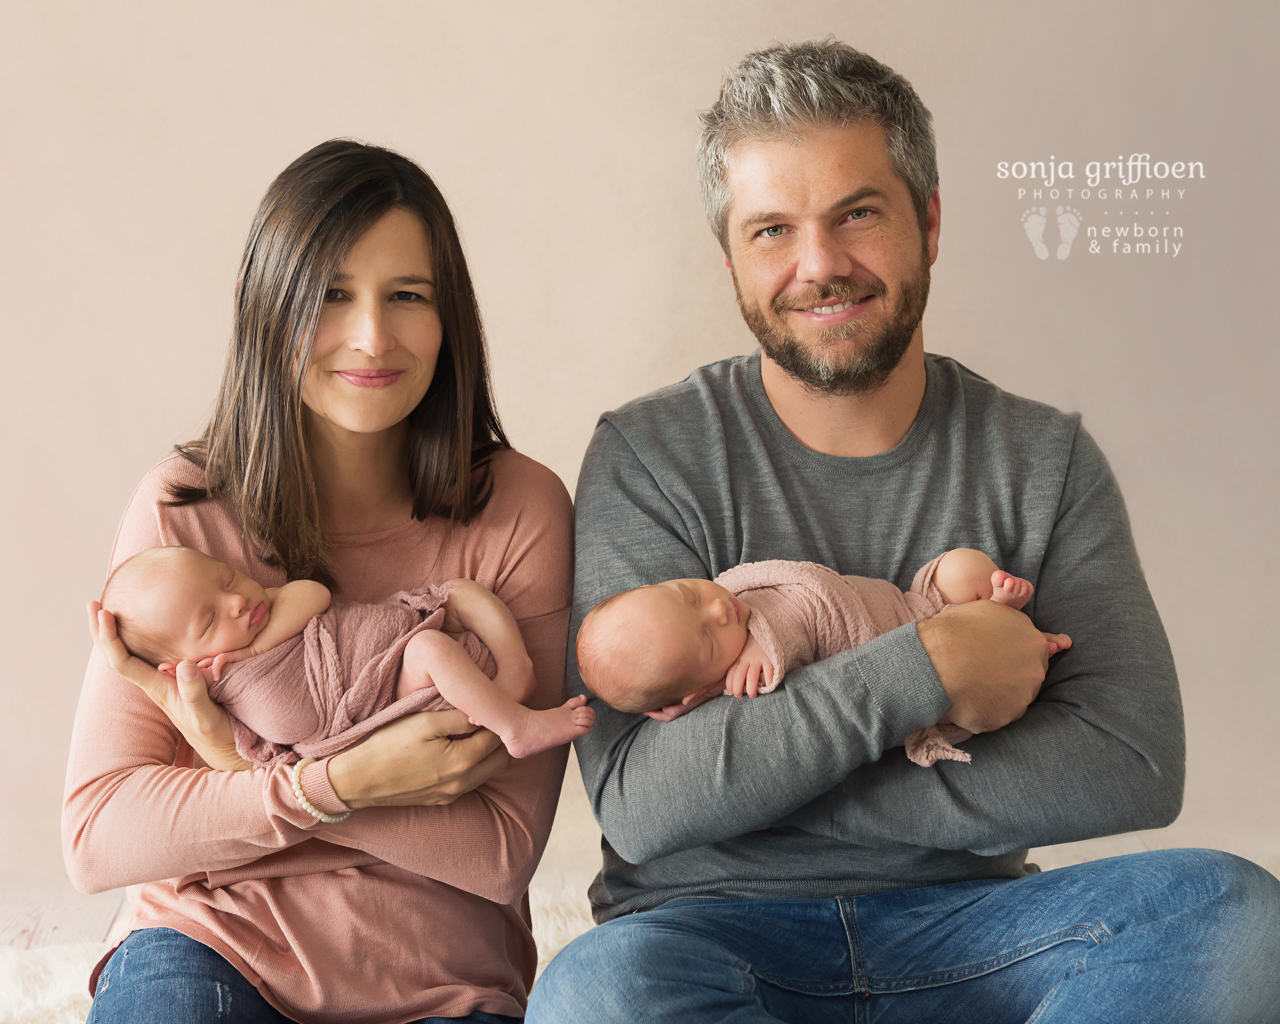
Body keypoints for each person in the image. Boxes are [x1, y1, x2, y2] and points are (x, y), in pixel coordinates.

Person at [528, 39, 1280, 1023]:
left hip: (973, 925)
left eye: (855, 213)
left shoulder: (1037, 458)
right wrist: (923, 667)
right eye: (770, 231)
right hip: (707, 935)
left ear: (927, 221)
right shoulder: (649, 454)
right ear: (730, 260)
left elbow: (1131, 760)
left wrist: (759, 783)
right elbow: (643, 801)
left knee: (1221, 905)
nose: (818, 265)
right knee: (592, 994)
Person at [64, 140, 575, 1024]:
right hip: (208, 947)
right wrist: (340, 784)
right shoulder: (184, 509)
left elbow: (497, 852)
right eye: (331, 294)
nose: (371, 336)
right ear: (264, 308)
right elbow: (101, 834)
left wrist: (228, 779)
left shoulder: (519, 508)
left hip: (442, 980)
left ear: (450, 316)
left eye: (406, 296)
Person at [98, 545, 592, 763]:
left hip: (386, 639)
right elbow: (254, 754)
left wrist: (258, 643)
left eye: (226, 579)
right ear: (178, 664)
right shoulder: (211, 688)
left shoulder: (264, 614)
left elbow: (313, 594)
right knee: (430, 647)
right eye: (209, 621)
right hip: (375, 695)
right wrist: (158, 687)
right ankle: (516, 727)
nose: (236, 601)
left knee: (460, 592)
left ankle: (516, 669)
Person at [576, 549, 1068, 766]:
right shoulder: (738, 675)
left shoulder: (744, 601)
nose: (719, 610)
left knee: (963, 565)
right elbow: (764, 698)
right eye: (707, 640)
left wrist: (760, 641)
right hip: (922, 663)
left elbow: (800, 605)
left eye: (687, 593)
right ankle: (1011, 633)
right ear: (696, 684)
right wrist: (702, 698)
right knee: (975, 699)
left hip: (914, 607)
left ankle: (996, 607)